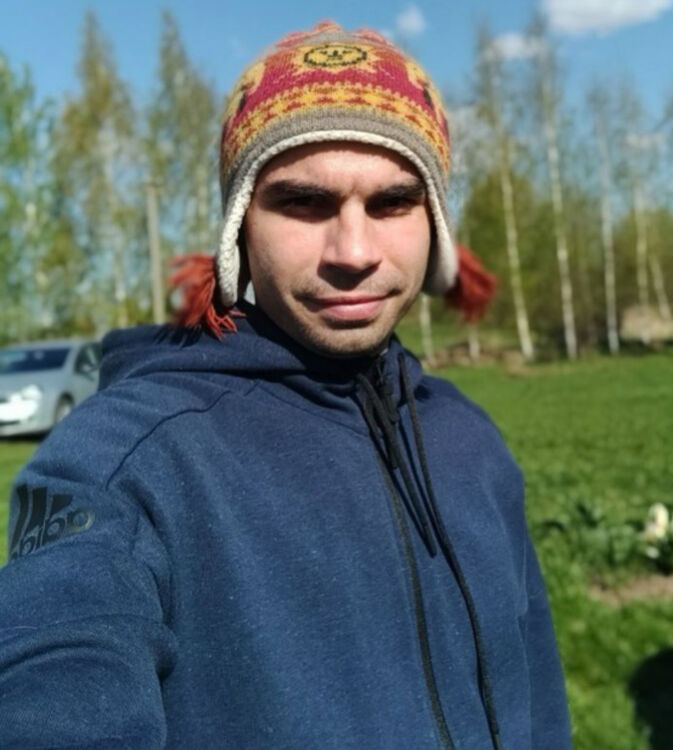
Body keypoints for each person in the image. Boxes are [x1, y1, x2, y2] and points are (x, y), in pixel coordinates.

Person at [0, 21, 571, 749]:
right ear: (239, 229)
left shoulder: (469, 441)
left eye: (392, 203)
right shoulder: (126, 461)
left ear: (433, 222)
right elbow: (52, 679)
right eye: (304, 202)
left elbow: (537, 699)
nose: (354, 252)